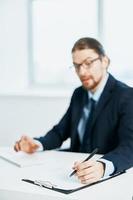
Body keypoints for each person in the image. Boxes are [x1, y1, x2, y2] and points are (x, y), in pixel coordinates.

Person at [14, 37, 133, 184]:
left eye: (88, 63)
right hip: (73, 172)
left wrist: (103, 166)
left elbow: (130, 147)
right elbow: (60, 132)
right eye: (76, 66)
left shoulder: (127, 96)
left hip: (103, 178)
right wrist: (37, 144)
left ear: (105, 61)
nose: (81, 72)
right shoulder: (79, 93)